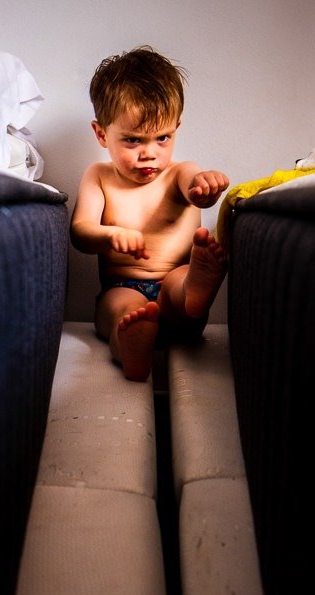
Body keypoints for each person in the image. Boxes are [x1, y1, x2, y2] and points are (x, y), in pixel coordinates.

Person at [70, 45, 230, 381]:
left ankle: (195, 294)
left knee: (178, 284)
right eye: (132, 140)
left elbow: (195, 191)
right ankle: (131, 347)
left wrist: (206, 188)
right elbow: (81, 231)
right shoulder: (98, 177)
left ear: (177, 128)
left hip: (174, 279)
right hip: (122, 286)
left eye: (162, 138)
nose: (149, 154)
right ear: (101, 134)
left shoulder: (180, 173)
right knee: (121, 311)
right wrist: (109, 235)